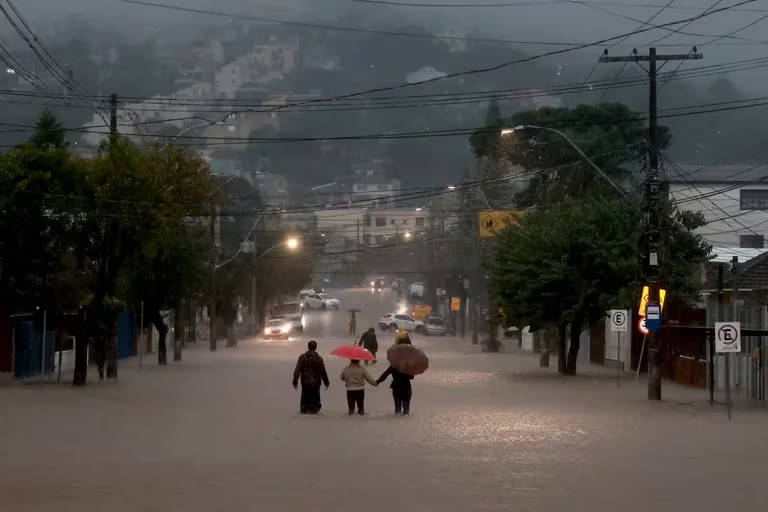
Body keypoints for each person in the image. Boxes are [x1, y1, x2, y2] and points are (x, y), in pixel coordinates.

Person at [292, 340, 330, 415]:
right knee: (315, 397)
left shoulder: (302, 357)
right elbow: (323, 371)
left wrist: (295, 380)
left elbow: (298, 369)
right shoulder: (319, 358)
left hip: (305, 382)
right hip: (316, 382)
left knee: (305, 396)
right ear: (316, 347)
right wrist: (326, 381)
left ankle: (305, 410)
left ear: (308, 347)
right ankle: (314, 410)